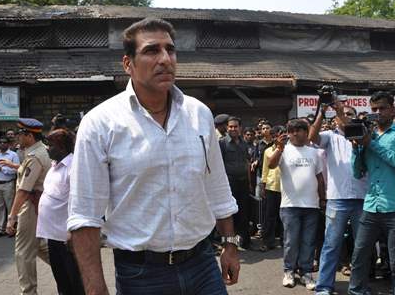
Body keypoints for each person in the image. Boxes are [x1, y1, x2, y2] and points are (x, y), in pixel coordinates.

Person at [68, 18, 240, 295]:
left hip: (202, 264)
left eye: (170, 50)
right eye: (151, 51)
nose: (165, 59)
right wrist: (95, 288)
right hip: (141, 275)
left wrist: (230, 243)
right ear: (128, 64)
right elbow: (85, 215)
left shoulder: (199, 114)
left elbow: (216, 186)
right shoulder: (100, 123)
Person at [348, 91, 395, 295]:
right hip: (371, 205)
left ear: (393, 109)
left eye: (383, 108)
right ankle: (357, 291)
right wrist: (356, 149)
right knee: (359, 256)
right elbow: (357, 172)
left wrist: (370, 144)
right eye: (374, 109)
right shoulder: (368, 133)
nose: (378, 112)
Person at [308, 103, 368, 295]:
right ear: (334, 120)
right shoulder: (330, 137)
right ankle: (324, 287)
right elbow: (311, 137)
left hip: (362, 198)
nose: (346, 116)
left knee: (362, 247)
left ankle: (358, 288)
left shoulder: (364, 136)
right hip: (337, 199)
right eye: (343, 114)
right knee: (331, 244)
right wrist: (323, 112)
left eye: (351, 114)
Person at [268, 119, 325, 290]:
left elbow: (320, 178)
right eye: (291, 131)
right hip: (289, 205)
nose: (295, 133)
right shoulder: (283, 151)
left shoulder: (314, 152)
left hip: (312, 205)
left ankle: (306, 272)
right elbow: (270, 165)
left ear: (306, 132)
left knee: (308, 241)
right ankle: (289, 271)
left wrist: (322, 199)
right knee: (291, 241)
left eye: (299, 130)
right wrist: (279, 148)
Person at [5, 118, 51, 295]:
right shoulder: (39, 152)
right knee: (38, 247)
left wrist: (12, 217)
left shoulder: (34, 156)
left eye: (19, 134)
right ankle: (70, 270)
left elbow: (23, 190)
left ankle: (29, 292)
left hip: (30, 207)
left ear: (29, 136)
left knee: (23, 253)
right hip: (37, 205)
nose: (16, 137)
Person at [36, 128, 84, 295]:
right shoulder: (54, 166)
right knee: (61, 278)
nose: (47, 148)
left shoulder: (73, 168)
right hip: (52, 236)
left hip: (67, 238)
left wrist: (72, 232)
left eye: (50, 145)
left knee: (75, 280)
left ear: (62, 148)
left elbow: (78, 202)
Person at [219, 116, 253, 249]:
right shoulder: (222, 143)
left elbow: (247, 163)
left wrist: (249, 183)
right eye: (230, 126)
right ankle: (229, 243)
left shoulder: (244, 143)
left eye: (235, 126)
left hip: (243, 183)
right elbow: (218, 165)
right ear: (227, 128)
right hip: (229, 183)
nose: (233, 129)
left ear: (240, 128)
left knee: (243, 213)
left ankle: (244, 241)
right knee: (229, 214)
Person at [260, 125, 285, 251]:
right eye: (276, 135)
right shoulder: (268, 151)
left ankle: (284, 240)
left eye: (281, 135)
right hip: (271, 187)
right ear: (273, 137)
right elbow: (265, 169)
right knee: (269, 216)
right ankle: (268, 241)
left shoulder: (289, 150)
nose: (279, 138)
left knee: (284, 217)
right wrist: (263, 186)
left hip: (286, 189)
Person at [0, 136, 19, 238]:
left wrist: (3, 169)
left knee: (10, 207)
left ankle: (11, 228)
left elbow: (16, 170)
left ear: (8, 144)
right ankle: (0, 229)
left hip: (8, 183)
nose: (2, 144)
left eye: (4, 142)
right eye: (0, 142)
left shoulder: (13, 155)